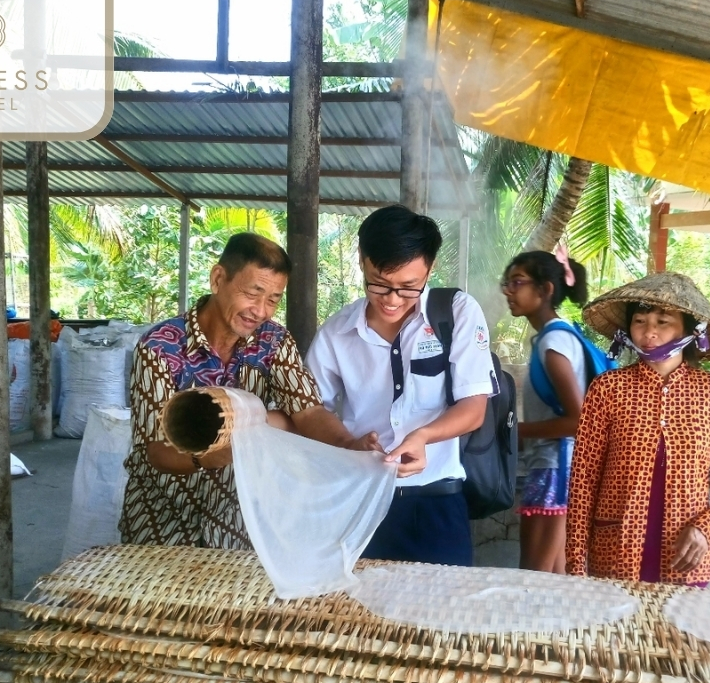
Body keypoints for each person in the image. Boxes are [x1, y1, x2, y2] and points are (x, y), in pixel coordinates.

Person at [120, 233, 369, 550]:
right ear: (218, 278)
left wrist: (351, 445)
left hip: (236, 519)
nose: (261, 311)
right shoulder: (160, 347)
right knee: (155, 600)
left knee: (236, 598)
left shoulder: (273, 342)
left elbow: (308, 411)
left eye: (273, 299)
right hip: (163, 518)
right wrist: (207, 459)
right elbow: (154, 451)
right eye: (253, 293)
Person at [306, 205, 496, 566]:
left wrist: (423, 436)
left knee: (440, 615)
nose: (392, 299)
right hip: (360, 499)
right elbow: (313, 408)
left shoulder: (456, 313)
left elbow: (474, 408)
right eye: (379, 283)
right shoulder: (337, 333)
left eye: (409, 287)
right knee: (356, 615)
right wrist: (349, 443)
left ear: (430, 268)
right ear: (362, 260)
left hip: (436, 501)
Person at [566, 273, 710, 584]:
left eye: (663, 321)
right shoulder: (607, 389)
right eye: (639, 320)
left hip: (687, 558)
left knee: (676, 634)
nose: (649, 330)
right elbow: (583, 480)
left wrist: (706, 526)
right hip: (616, 554)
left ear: (691, 330)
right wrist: (575, 566)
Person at [501, 247, 591, 573]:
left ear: (545, 290)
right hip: (557, 465)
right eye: (507, 283)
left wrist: (518, 432)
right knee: (554, 576)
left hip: (556, 467)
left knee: (535, 576)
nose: (508, 291)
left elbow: (579, 420)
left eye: (518, 282)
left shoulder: (554, 344)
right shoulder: (557, 338)